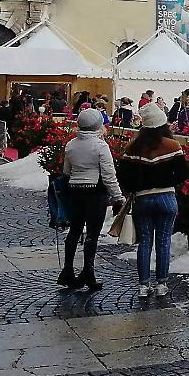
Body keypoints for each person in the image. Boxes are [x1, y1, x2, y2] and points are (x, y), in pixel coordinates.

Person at [118, 103, 187, 298]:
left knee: (145, 242)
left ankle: (143, 285)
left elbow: (122, 175)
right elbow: (183, 173)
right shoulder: (172, 146)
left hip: (142, 199)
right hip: (166, 197)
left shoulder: (133, 147)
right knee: (164, 241)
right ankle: (162, 284)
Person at [57, 108, 126, 291]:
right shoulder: (100, 146)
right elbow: (109, 175)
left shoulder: (71, 145)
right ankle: (89, 272)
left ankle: (68, 270)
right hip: (95, 193)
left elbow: (66, 171)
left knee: (74, 231)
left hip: (74, 192)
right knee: (92, 235)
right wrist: (118, 196)